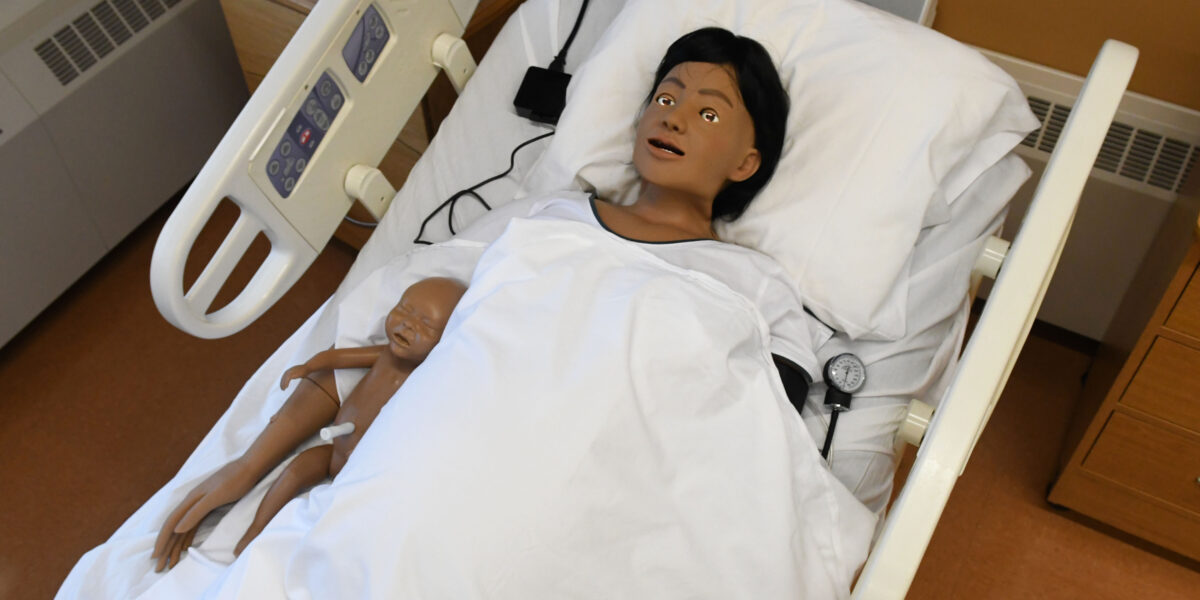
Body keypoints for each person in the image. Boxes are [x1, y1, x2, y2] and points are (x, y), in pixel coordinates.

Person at [152, 277, 467, 571]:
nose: (408, 324)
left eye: (426, 325)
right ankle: (254, 532)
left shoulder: (426, 378)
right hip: (333, 451)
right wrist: (306, 367)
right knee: (295, 471)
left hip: (360, 467)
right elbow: (340, 358)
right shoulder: (382, 354)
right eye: (404, 310)